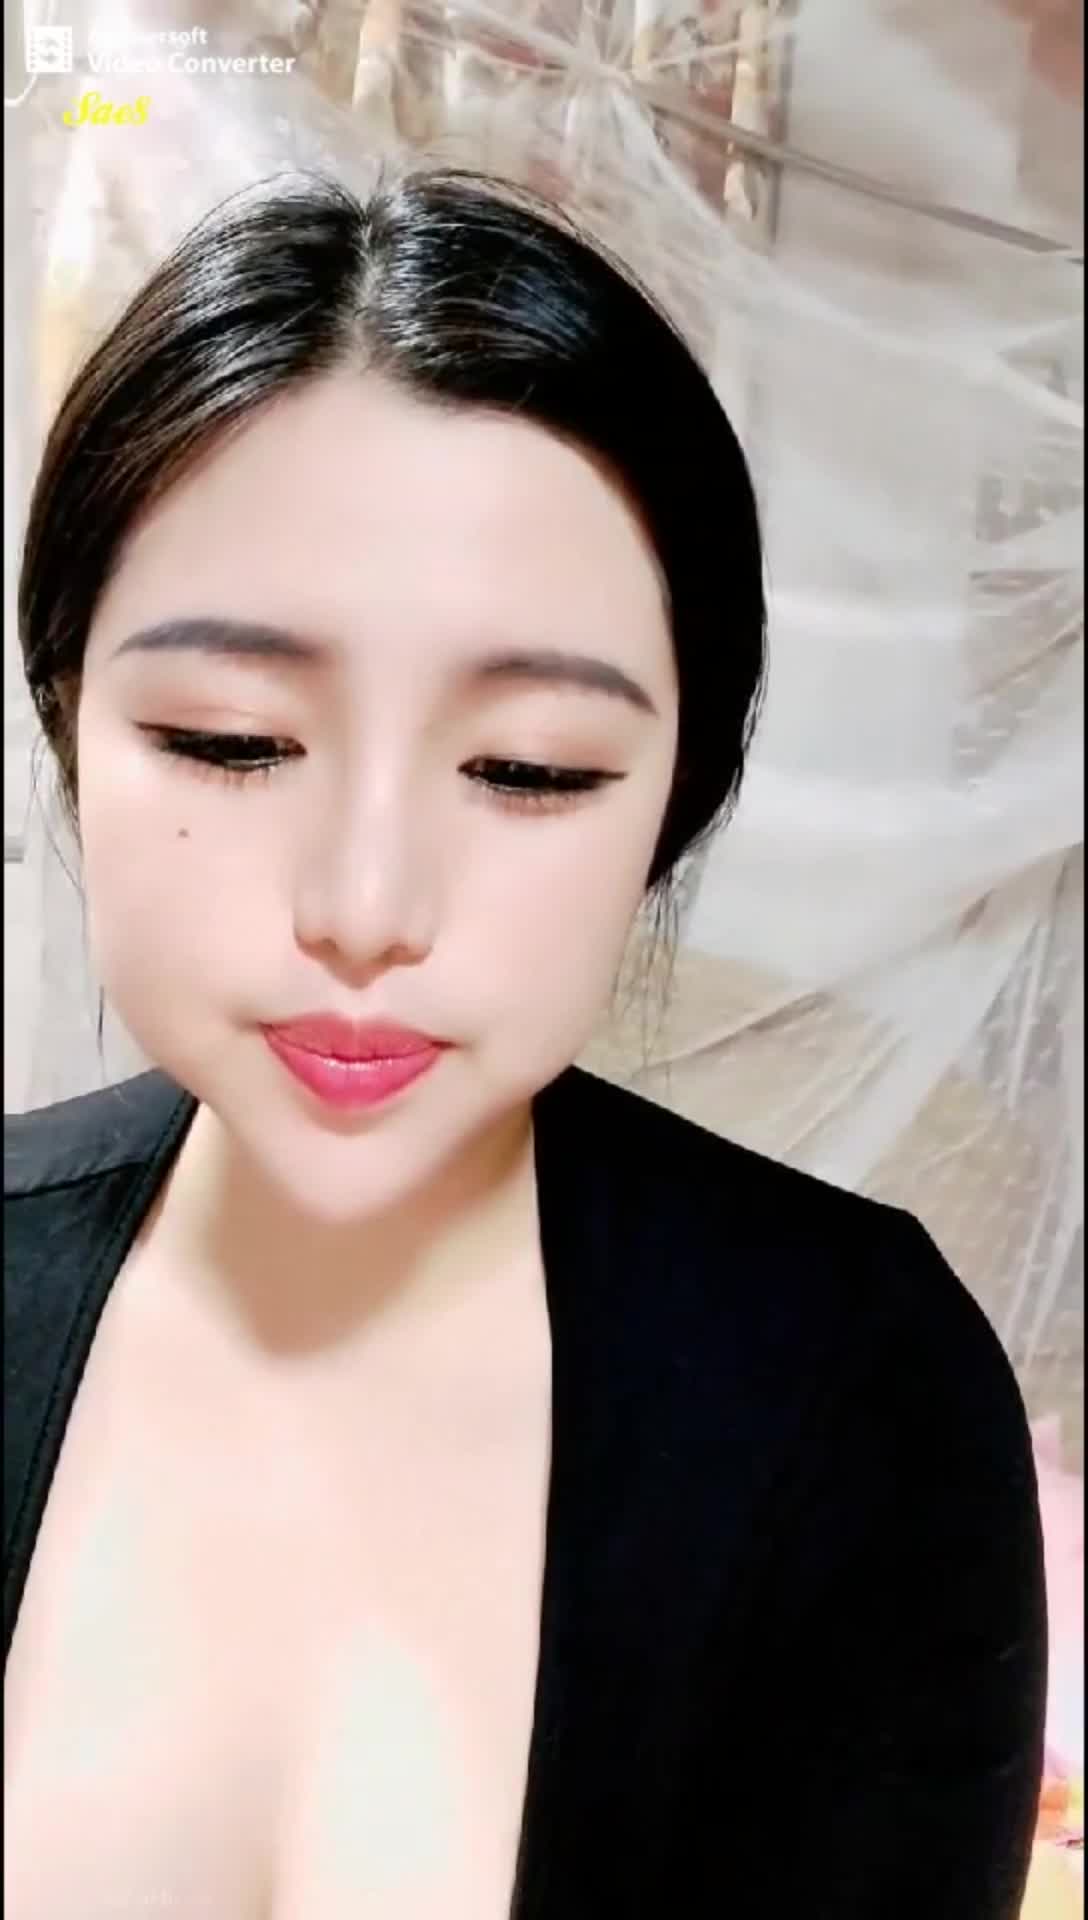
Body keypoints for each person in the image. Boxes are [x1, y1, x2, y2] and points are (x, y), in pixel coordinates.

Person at [4, 167, 1046, 1920]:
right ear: (68, 722)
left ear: (670, 803)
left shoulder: (858, 1399)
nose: (365, 906)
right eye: (232, 740)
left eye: (530, 768)